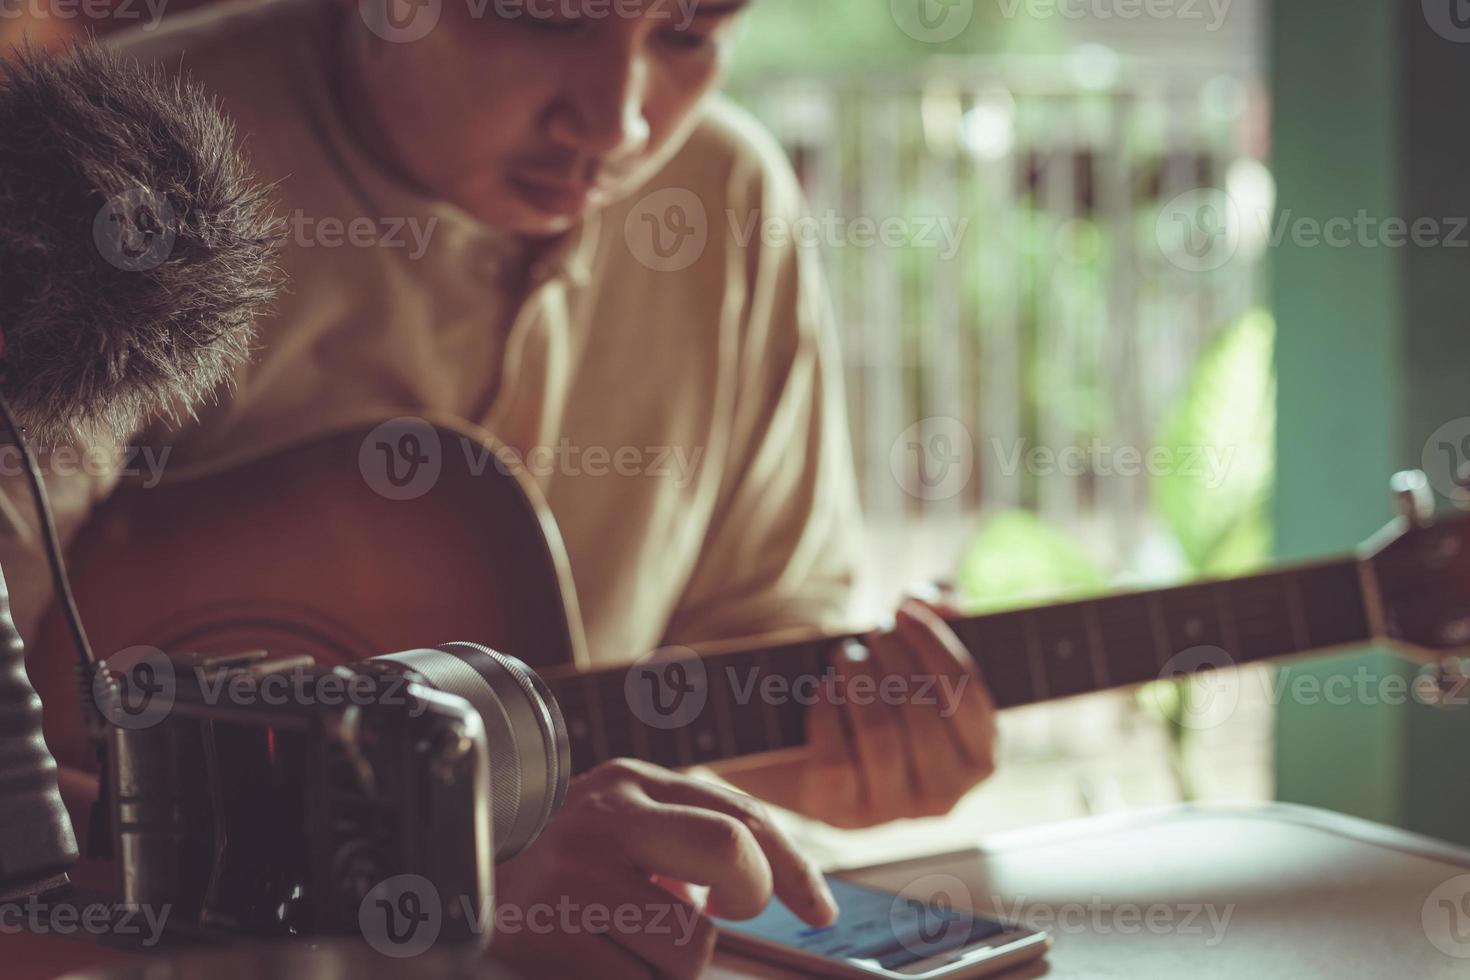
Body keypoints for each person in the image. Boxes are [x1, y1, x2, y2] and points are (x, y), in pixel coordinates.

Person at [1, 0, 999, 973]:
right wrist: (433, 872)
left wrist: (848, 755)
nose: (619, 121)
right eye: (545, 17)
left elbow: (752, 652)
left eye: (689, 31)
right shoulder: (106, 162)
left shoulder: (725, 198)